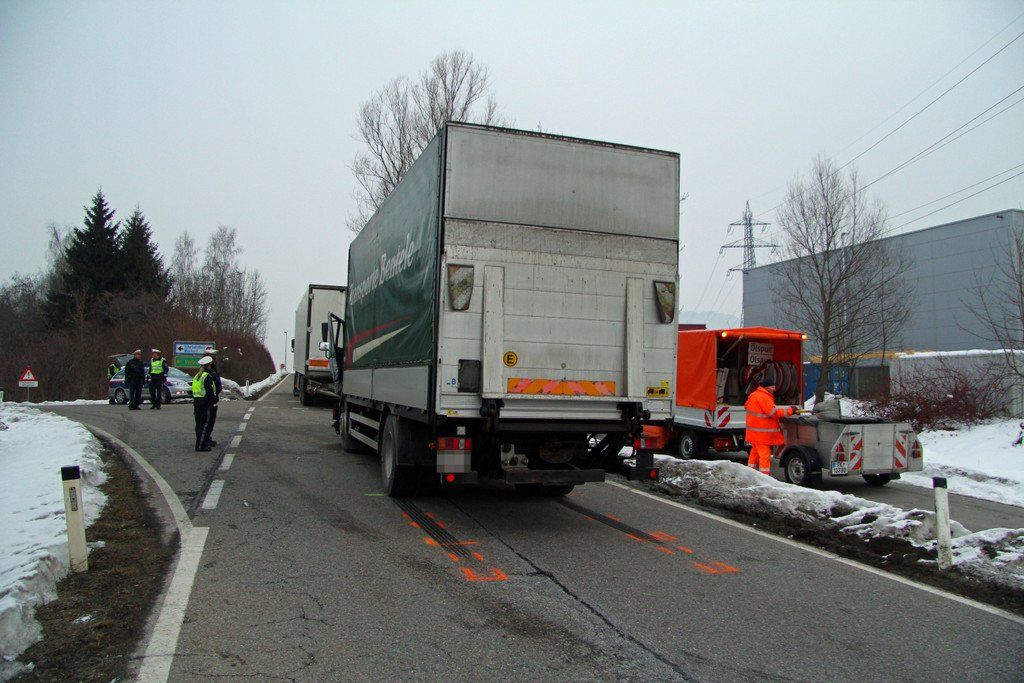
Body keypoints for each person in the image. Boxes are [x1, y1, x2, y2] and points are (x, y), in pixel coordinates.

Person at [744, 376, 794, 475]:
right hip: (762, 434)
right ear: (766, 387)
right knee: (764, 455)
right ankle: (764, 477)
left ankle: (749, 473)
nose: (774, 389)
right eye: (772, 387)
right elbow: (773, 413)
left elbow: (747, 406)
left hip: (754, 432)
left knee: (754, 453)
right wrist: (791, 410)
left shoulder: (754, 395)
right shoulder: (764, 397)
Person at [192, 356, 218, 451]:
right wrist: (214, 400)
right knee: (205, 424)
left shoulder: (197, 376)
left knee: (199, 423)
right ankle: (200, 445)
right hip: (205, 402)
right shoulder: (207, 376)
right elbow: (210, 391)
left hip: (197, 401)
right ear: (209, 365)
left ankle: (200, 442)